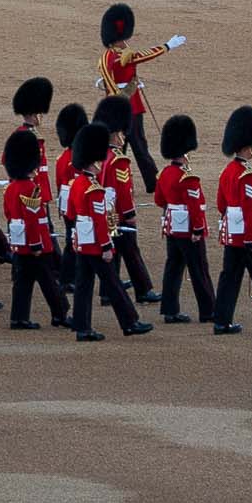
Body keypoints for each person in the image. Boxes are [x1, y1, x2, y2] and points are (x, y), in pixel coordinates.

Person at [64, 121, 153, 341]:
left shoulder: (77, 184)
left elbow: (71, 213)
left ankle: (82, 326)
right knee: (113, 283)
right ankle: (130, 322)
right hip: (95, 243)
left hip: (82, 241)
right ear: (94, 161)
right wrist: (105, 246)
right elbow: (99, 221)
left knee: (84, 286)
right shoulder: (93, 189)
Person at [99, 2, 184, 191]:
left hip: (133, 106)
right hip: (118, 107)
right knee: (115, 147)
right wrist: (168, 46)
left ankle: (152, 183)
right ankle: (109, 179)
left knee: (140, 146)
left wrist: (168, 46)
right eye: (121, 39)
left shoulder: (124, 53)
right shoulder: (108, 57)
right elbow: (109, 74)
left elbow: (141, 57)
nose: (124, 42)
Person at [0, 128, 68, 330]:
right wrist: (37, 244)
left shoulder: (10, 188)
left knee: (23, 282)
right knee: (49, 280)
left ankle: (18, 318)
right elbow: (32, 219)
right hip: (35, 242)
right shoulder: (31, 188)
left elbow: (8, 214)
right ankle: (60, 314)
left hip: (19, 242)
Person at [154, 114, 215, 326]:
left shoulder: (164, 174)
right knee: (199, 269)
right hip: (189, 229)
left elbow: (159, 200)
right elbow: (195, 207)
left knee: (173, 268)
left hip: (172, 227)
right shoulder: (186, 177)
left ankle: (170, 310)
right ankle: (208, 310)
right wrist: (198, 229)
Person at [212, 105, 252, 334]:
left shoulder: (228, 171)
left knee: (229, 278)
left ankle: (221, 321)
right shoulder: (248, 176)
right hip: (249, 236)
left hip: (232, 235)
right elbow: (251, 210)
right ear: (248, 145)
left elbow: (221, 205)